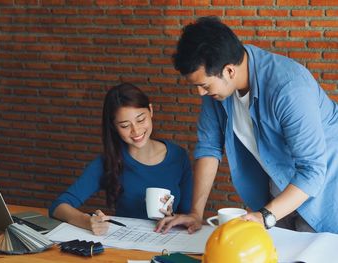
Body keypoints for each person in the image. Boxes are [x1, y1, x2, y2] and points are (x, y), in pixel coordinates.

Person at [156, 16, 338, 234]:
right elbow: (209, 147)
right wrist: (196, 213)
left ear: (229, 71)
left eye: (204, 85)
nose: (200, 93)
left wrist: (265, 216)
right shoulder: (218, 87)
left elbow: (312, 170)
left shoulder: (289, 88)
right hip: (278, 192)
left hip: (324, 193)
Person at [49, 83, 193, 235]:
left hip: (167, 244)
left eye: (140, 119)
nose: (136, 130)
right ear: (114, 127)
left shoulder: (178, 156)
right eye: (125, 125)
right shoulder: (109, 161)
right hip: (125, 245)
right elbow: (58, 206)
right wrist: (86, 221)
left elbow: (188, 215)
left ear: (150, 111)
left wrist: (175, 218)